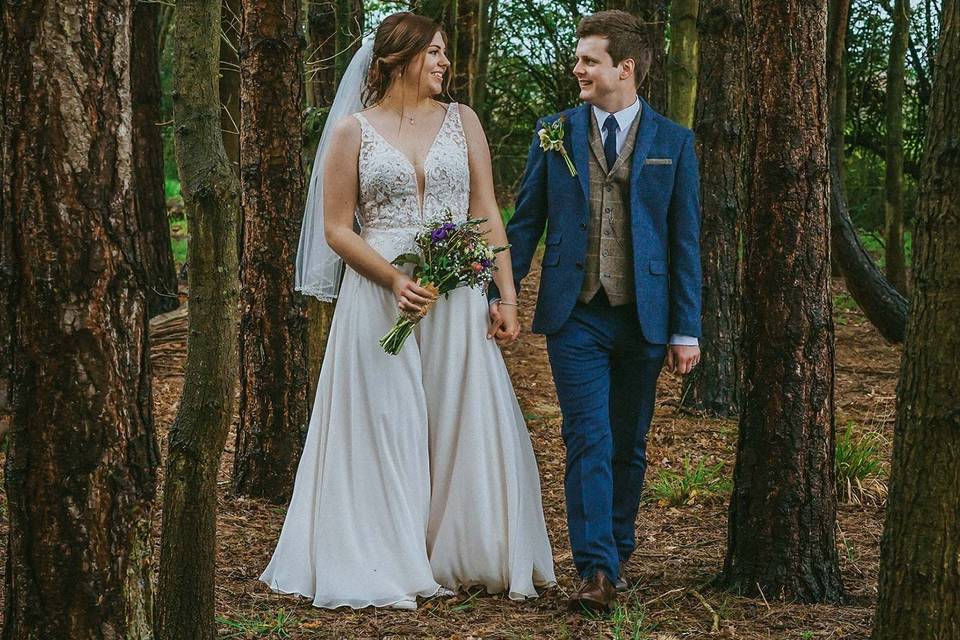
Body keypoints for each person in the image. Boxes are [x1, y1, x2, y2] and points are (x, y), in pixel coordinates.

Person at [260, 12, 555, 611]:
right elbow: (338, 229)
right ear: (399, 58)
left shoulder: (463, 121)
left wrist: (505, 294)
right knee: (384, 421)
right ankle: (384, 554)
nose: (445, 63)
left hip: (456, 294)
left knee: (456, 412)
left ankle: (460, 551)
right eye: (435, 53)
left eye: (446, 53)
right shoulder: (351, 132)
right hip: (379, 297)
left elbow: (487, 210)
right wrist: (393, 279)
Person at [489, 10, 703, 613]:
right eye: (578, 58)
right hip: (574, 312)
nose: (577, 68)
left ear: (624, 69)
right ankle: (596, 569)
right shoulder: (553, 131)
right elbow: (525, 221)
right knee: (588, 435)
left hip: (645, 316)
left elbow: (684, 240)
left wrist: (686, 329)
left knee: (629, 443)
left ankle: (619, 547)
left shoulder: (673, 142)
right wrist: (498, 290)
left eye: (589, 60)